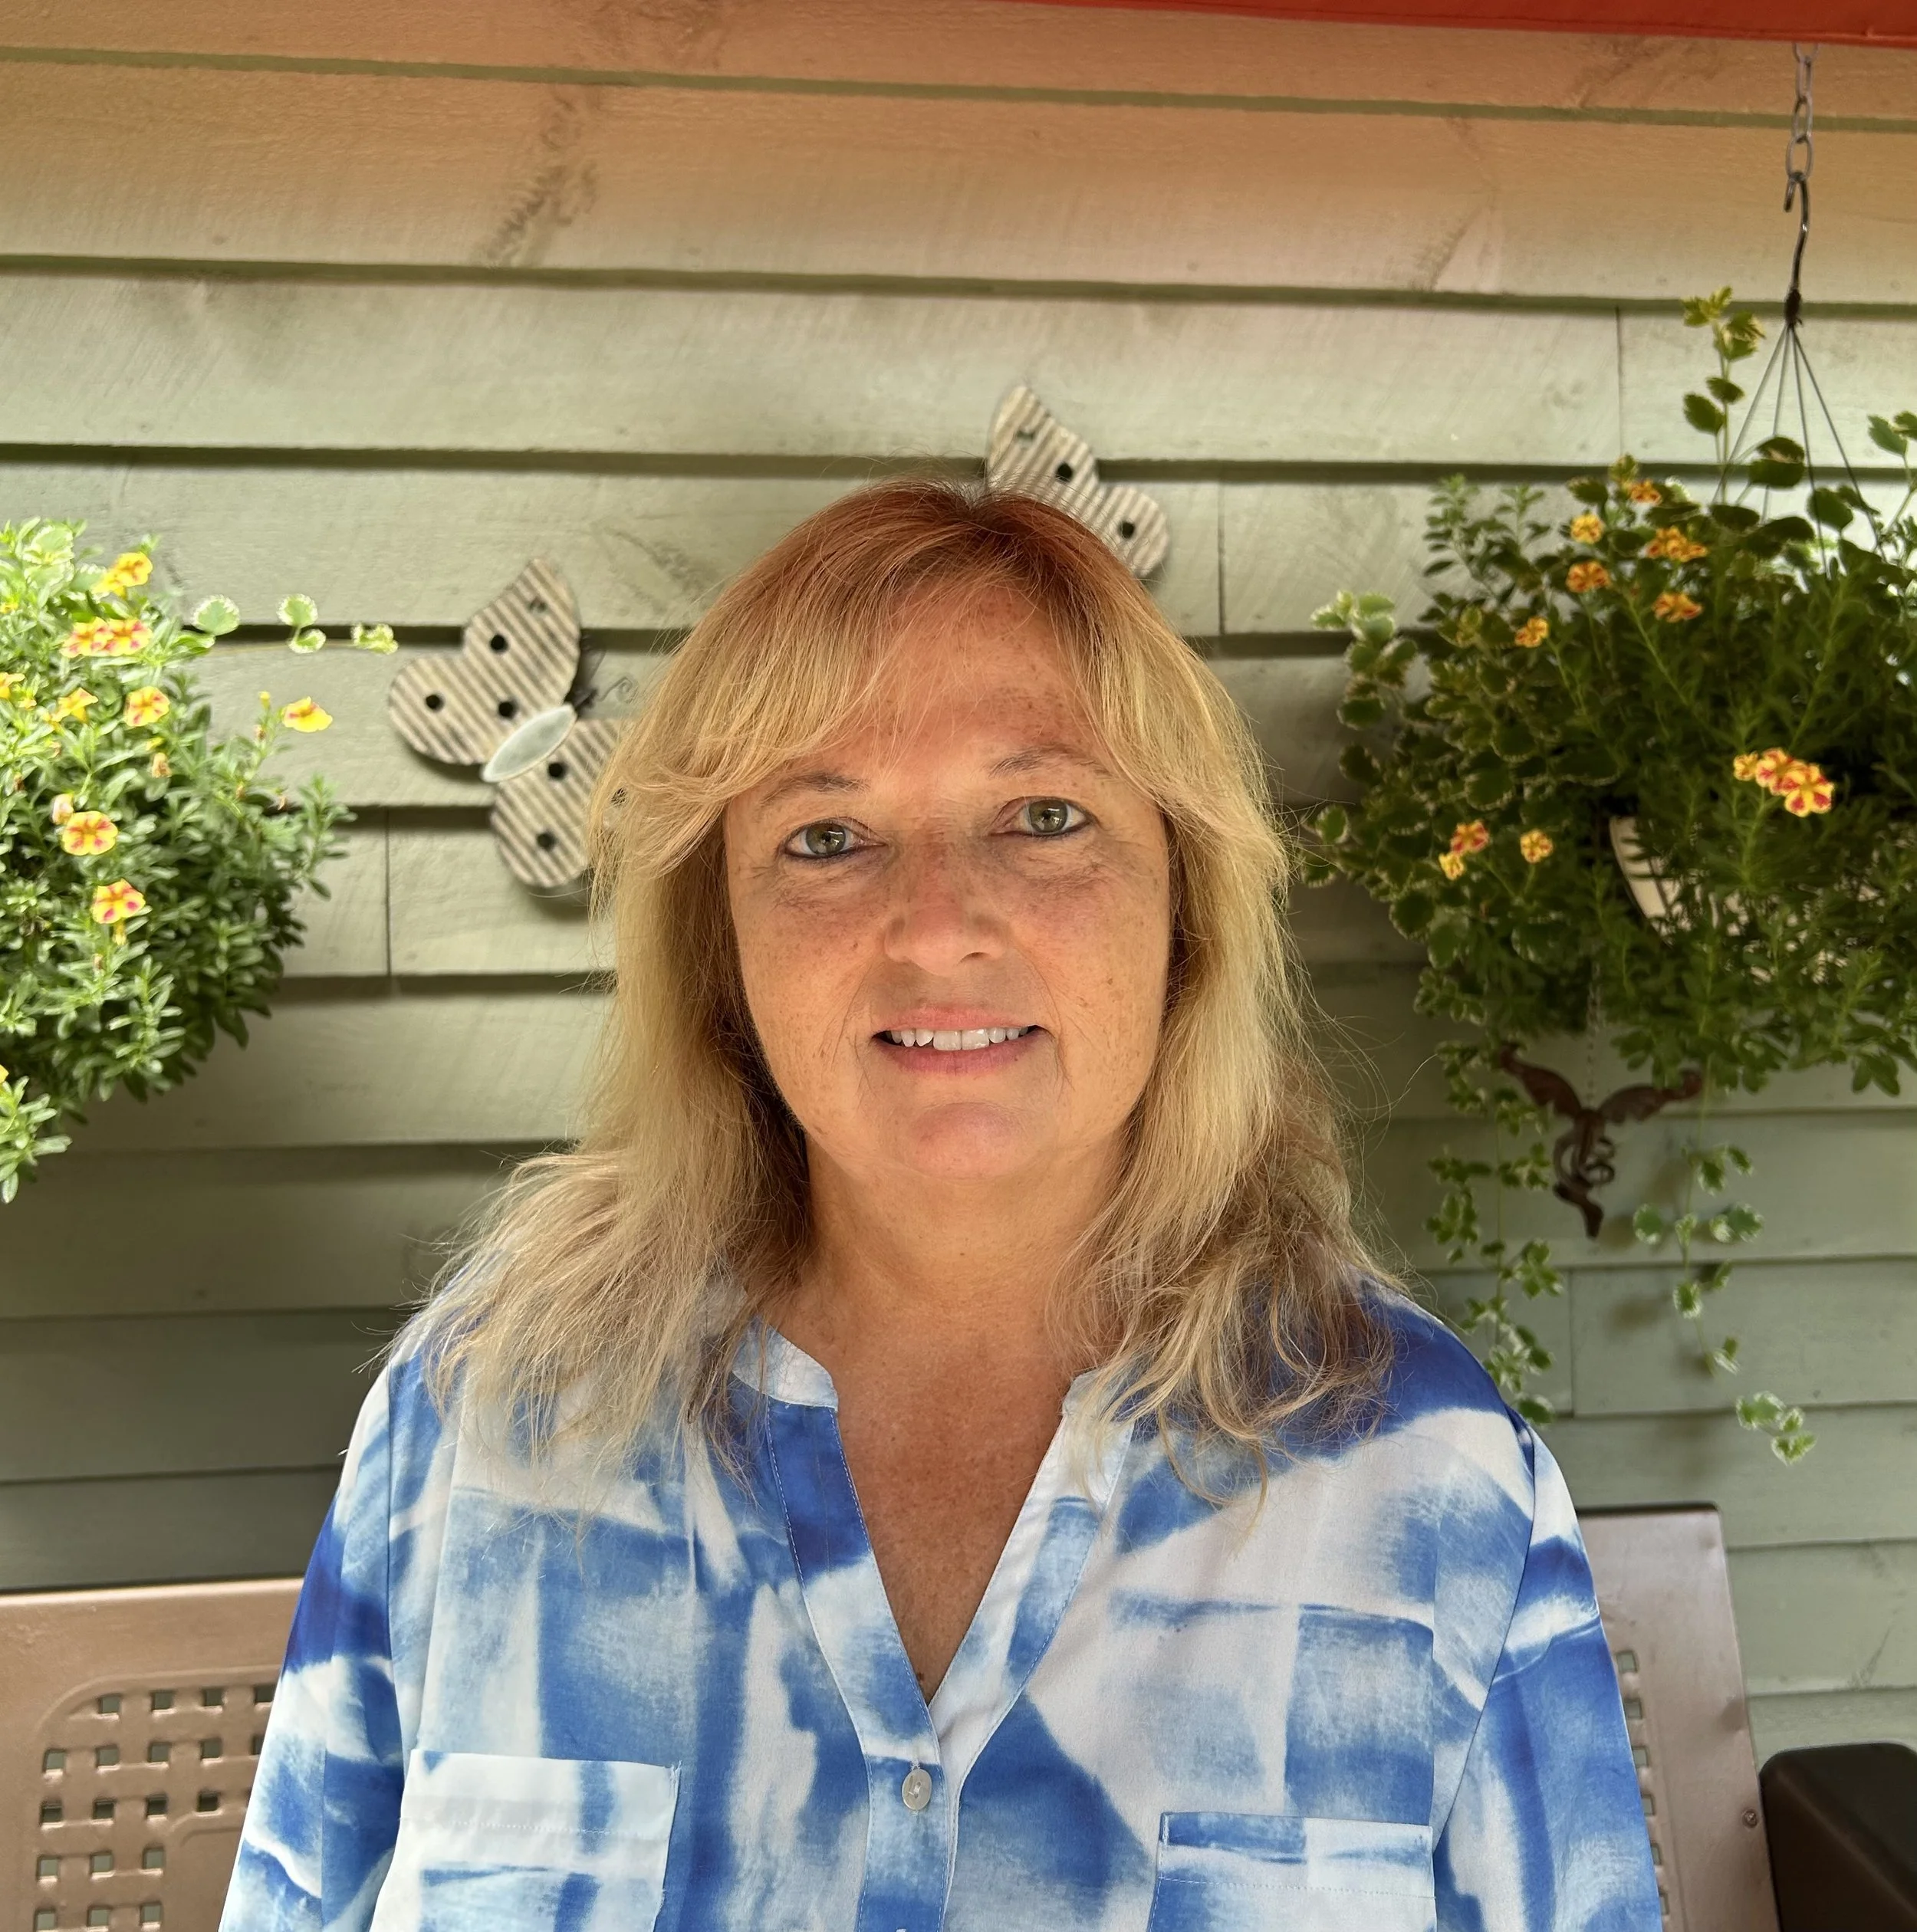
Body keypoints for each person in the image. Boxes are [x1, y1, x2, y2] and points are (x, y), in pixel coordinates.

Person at [222, 482, 1659, 1932]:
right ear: (722, 946)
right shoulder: (484, 1418)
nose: (936, 928)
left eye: (1044, 817)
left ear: (1186, 914)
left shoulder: (1423, 1473)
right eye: (827, 836)